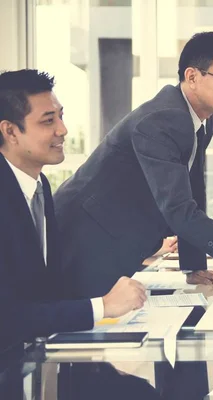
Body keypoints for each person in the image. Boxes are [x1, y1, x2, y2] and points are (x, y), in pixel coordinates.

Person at [53, 32, 213, 298]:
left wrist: (193, 265)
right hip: (84, 241)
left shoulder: (202, 120)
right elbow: (179, 210)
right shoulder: (162, 120)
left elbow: (193, 192)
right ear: (192, 77)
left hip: (112, 240)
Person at [0, 69, 146, 349]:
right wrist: (102, 307)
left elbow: (46, 290)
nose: (62, 130)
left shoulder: (39, 185)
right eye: (48, 121)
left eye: (60, 116)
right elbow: (7, 316)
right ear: (10, 131)